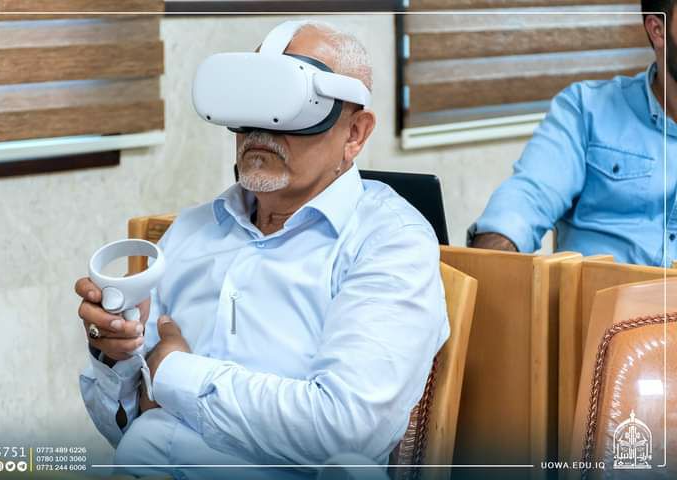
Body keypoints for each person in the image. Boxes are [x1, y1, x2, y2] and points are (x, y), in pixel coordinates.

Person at [75, 21, 449, 479]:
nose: (260, 129)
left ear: (355, 133)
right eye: (250, 100)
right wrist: (114, 355)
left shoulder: (389, 242)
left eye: (290, 105)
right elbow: (124, 425)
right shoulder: (190, 234)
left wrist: (173, 372)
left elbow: (345, 430)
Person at [470, 0, 676, 266]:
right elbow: (526, 201)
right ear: (658, 30)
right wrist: (487, 264)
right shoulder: (586, 110)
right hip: (597, 291)